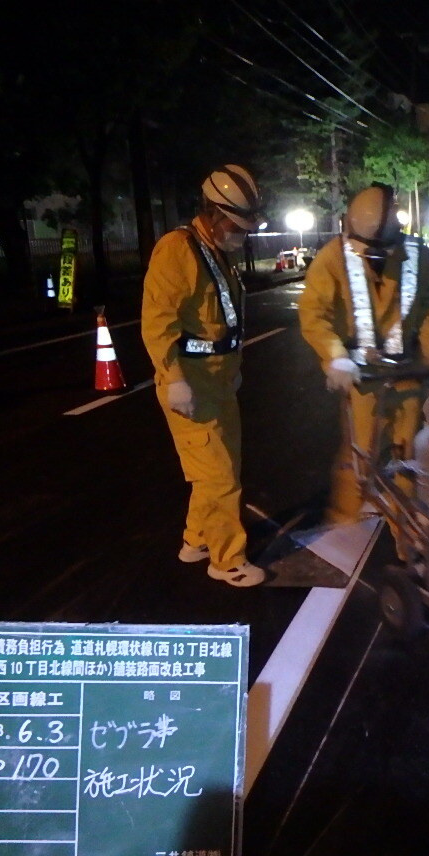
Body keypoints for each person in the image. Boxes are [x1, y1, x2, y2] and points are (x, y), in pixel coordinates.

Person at [298, 182, 429, 530]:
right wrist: (335, 356)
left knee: (406, 455)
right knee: (363, 452)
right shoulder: (333, 258)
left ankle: (405, 529)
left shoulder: (416, 253)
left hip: (409, 373)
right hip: (365, 380)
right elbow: (314, 313)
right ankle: (349, 519)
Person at [141, 163, 265, 587]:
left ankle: (196, 540)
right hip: (190, 385)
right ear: (213, 212)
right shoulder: (178, 250)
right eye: (235, 223)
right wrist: (173, 378)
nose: (241, 233)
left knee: (215, 470)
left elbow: (221, 324)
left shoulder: (217, 255)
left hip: (217, 383)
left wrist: (233, 369)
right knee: (220, 477)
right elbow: (157, 322)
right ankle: (227, 559)